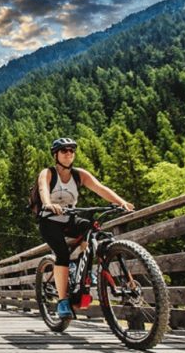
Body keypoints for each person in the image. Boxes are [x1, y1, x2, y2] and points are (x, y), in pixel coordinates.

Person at [38, 137, 134, 319]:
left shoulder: (79, 174)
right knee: (62, 254)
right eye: (64, 150)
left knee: (91, 229)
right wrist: (48, 203)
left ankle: (84, 270)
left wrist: (121, 203)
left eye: (71, 151)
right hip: (49, 220)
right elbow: (43, 189)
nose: (68, 154)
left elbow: (100, 188)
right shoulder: (48, 173)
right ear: (55, 155)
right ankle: (62, 300)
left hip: (69, 218)